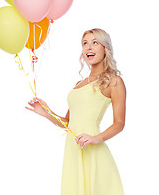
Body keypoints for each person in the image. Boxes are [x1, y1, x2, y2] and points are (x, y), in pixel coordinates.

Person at [25, 28, 126, 194]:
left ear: (105, 48)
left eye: (95, 43)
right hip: (73, 148)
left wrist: (95, 138)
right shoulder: (79, 84)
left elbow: (119, 123)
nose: (88, 47)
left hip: (93, 148)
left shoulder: (114, 81)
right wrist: (46, 112)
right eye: (85, 43)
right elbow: (67, 122)